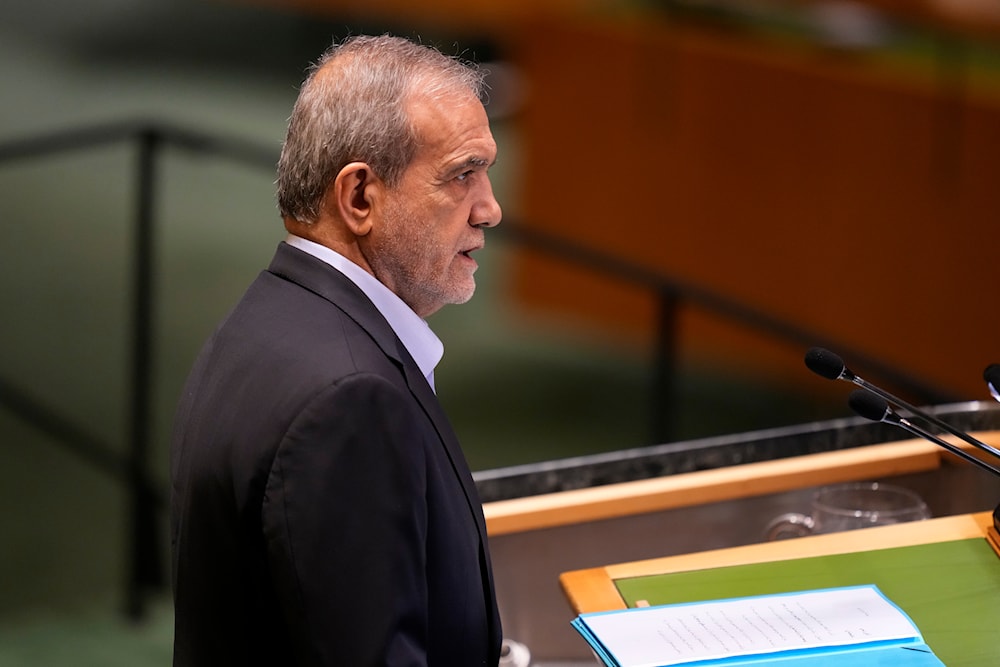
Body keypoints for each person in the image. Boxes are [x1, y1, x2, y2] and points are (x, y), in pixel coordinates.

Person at [169, 34, 503, 666]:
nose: (490, 209)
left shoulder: (263, 320)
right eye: (462, 175)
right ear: (358, 198)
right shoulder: (351, 400)